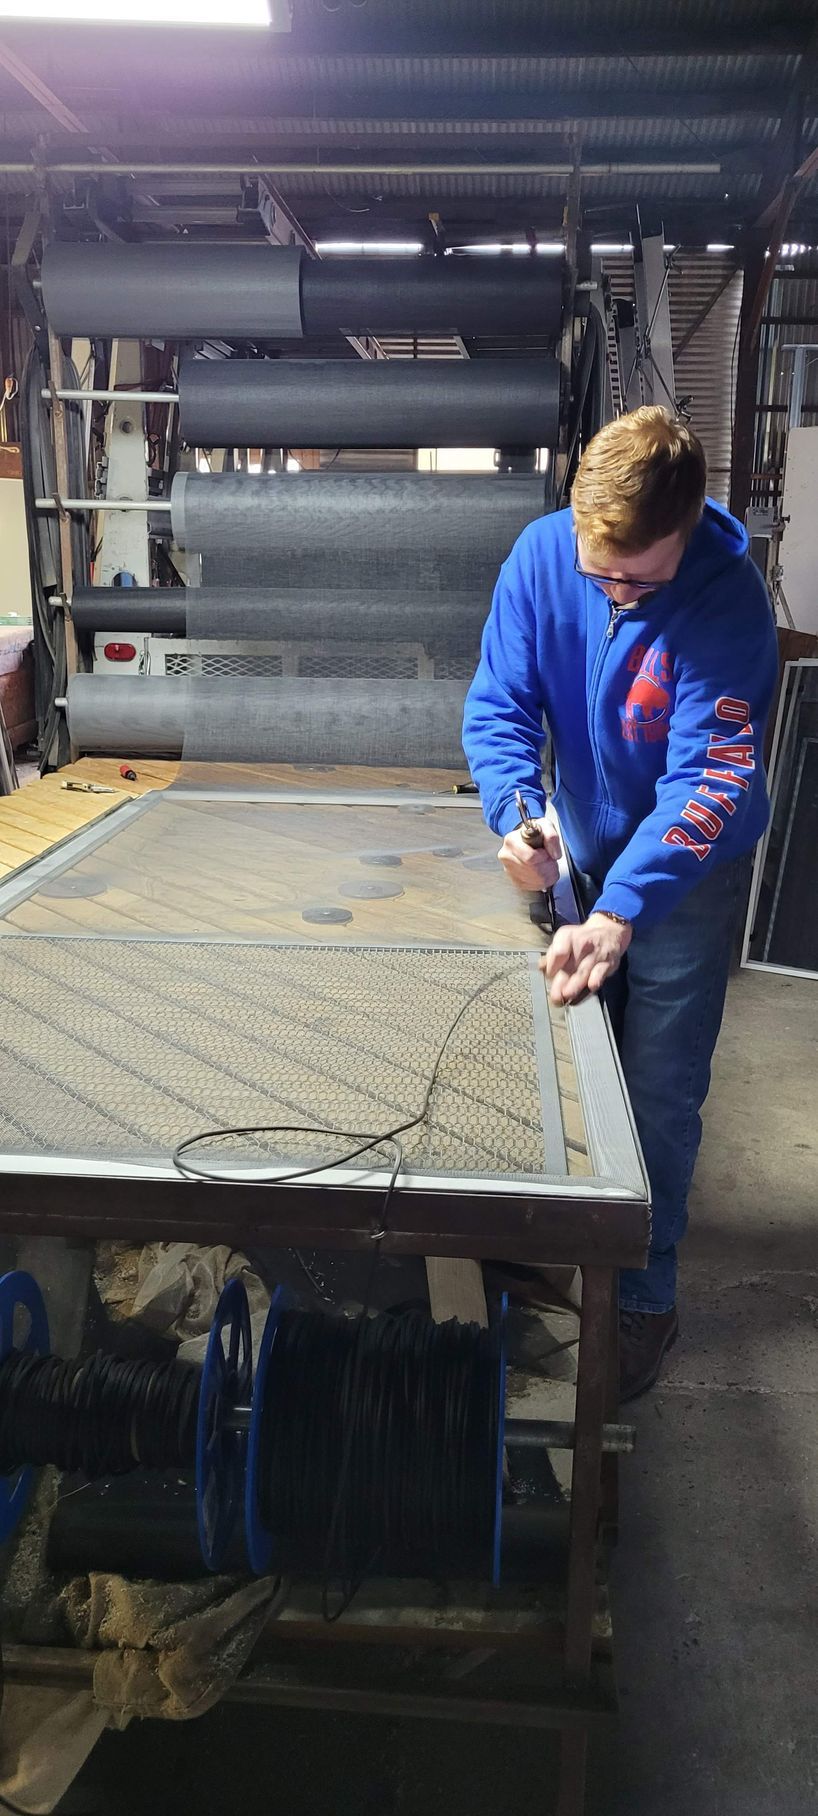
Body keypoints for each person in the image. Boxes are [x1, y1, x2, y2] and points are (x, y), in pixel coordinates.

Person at [462, 406, 778, 1400]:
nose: (615, 595)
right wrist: (521, 821)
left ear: (683, 531)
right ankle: (555, 1244)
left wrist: (621, 907)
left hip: (685, 867)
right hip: (581, 844)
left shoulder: (726, 600)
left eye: (639, 580)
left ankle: (644, 1299)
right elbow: (501, 704)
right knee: (560, 1053)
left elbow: (707, 783)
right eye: (600, 573)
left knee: (655, 1084)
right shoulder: (540, 556)